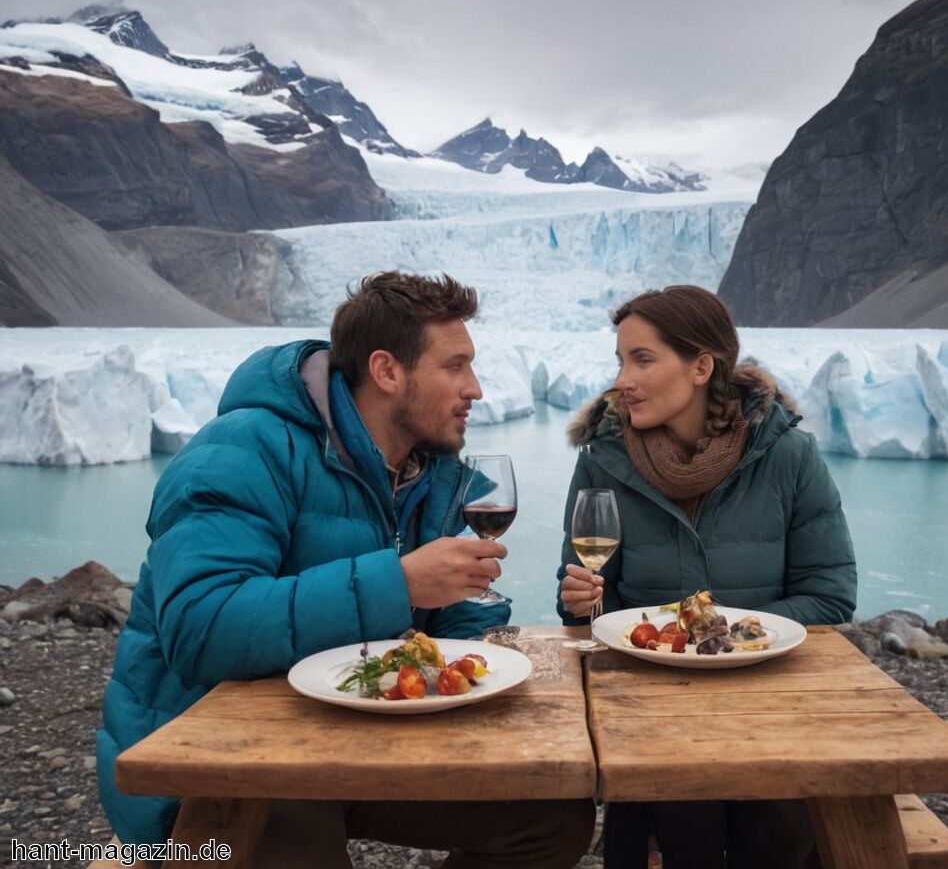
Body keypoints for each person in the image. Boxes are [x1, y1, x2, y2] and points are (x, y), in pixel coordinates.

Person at [98, 271, 595, 868]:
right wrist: (400, 583)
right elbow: (200, 628)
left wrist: (477, 650)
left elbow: (450, 616)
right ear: (387, 372)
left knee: (550, 813)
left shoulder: (430, 470)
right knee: (289, 819)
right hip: (220, 756)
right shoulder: (240, 451)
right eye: (456, 366)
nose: (477, 388)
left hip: (355, 729)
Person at [556, 284, 856, 869]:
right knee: (677, 811)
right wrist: (581, 601)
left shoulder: (788, 455)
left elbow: (831, 596)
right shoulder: (603, 460)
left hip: (768, 700)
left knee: (772, 825)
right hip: (650, 701)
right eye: (620, 360)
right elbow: (588, 604)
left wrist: (721, 632)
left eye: (642, 359)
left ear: (701, 366)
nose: (623, 380)